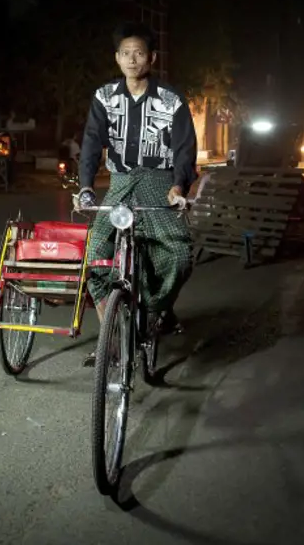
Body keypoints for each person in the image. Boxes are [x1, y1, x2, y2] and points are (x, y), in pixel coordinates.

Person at [76, 22, 196, 366]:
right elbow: (90, 143)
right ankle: (111, 337)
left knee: (177, 254)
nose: (132, 59)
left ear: (151, 58)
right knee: (95, 257)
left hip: (158, 183)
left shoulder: (171, 100)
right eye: (125, 53)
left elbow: (185, 148)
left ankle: (158, 310)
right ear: (117, 58)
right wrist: (86, 186)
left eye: (139, 53)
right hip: (119, 184)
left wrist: (178, 186)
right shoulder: (104, 96)